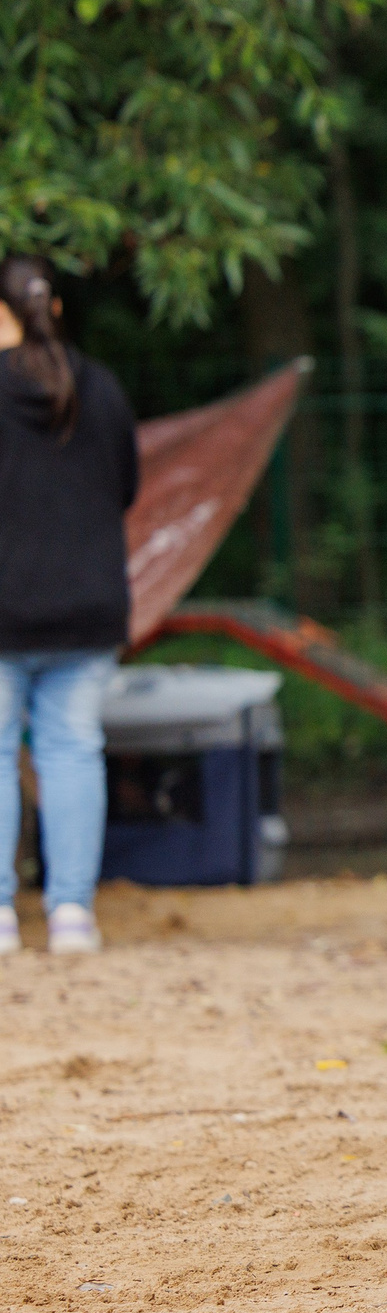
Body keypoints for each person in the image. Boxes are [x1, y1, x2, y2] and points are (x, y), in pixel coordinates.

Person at [0, 257, 138, 957]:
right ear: (53, 309)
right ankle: (71, 915)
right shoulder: (101, 386)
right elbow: (127, 488)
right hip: (88, 603)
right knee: (73, 751)